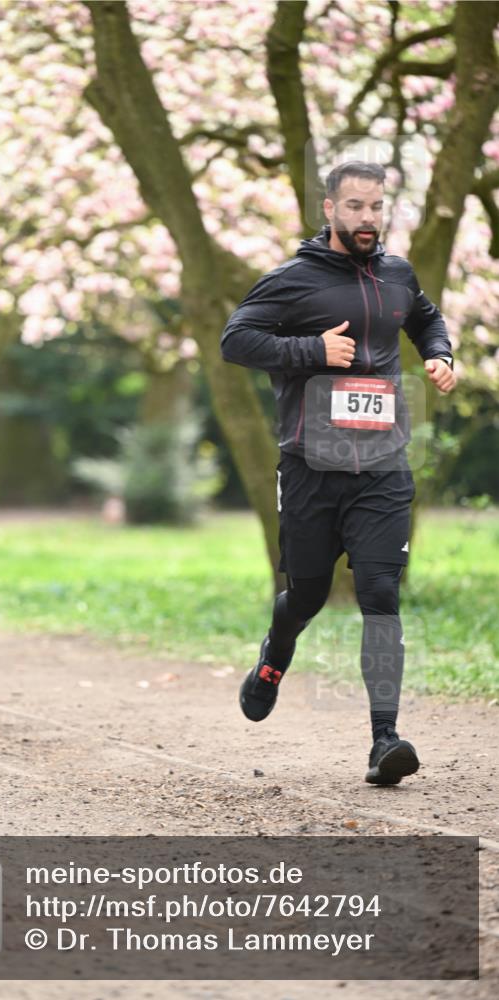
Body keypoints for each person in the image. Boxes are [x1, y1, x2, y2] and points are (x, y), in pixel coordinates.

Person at [221, 161, 456, 785]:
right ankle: (275, 657)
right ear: (328, 209)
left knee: (380, 595)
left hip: (382, 463)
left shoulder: (398, 273)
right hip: (310, 466)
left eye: (376, 206)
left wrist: (438, 354)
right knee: (307, 594)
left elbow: (426, 317)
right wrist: (312, 351)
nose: (367, 219)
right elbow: (235, 340)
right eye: (354, 206)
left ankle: (386, 741)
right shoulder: (293, 280)